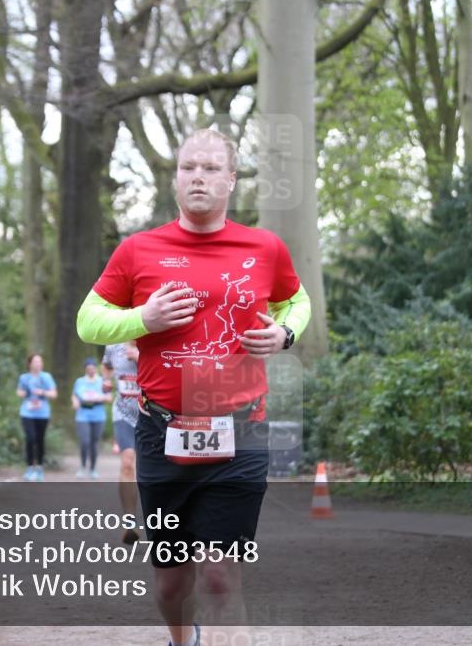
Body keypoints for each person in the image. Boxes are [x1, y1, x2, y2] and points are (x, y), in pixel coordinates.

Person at [76, 129, 311, 646]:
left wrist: (285, 332)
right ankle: (184, 639)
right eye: (188, 168)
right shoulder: (138, 250)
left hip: (241, 433)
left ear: (230, 179)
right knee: (171, 582)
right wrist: (143, 317)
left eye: (209, 168)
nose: (197, 176)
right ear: (176, 179)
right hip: (162, 435)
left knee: (221, 575)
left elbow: (297, 301)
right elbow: (87, 322)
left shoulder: (264, 247)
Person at [102, 340, 141, 544]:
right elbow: (107, 366)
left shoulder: (155, 340)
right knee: (127, 463)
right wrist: (106, 381)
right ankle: (129, 521)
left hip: (151, 414)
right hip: (123, 413)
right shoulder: (113, 345)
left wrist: (140, 358)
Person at [15, 354, 58, 481]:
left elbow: (54, 394)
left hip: (42, 413)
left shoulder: (46, 377)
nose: (39, 364)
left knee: (40, 440)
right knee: (30, 438)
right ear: (30, 364)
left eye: (40, 361)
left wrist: (42, 392)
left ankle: (39, 468)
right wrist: (25, 393)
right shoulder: (24, 378)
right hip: (27, 412)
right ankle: (29, 468)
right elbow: (19, 392)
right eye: (36, 361)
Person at [72, 357, 111, 479]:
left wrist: (99, 398)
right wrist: (75, 402)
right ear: (85, 369)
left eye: (93, 368)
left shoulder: (103, 381)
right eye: (89, 368)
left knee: (94, 443)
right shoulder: (79, 381)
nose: (91, 370)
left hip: (98, 415)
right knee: (84, 442)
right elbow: (74, 395)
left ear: (96, 369)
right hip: (83, 415)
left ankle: (93, 469)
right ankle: (83, 467)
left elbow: (109, 398)